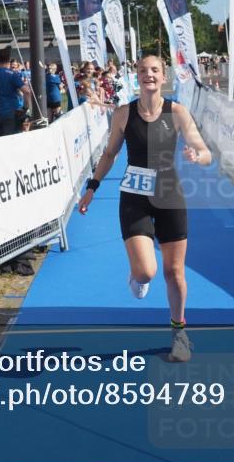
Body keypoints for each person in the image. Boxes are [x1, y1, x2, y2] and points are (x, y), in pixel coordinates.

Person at [76, 56, 212, 363]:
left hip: (169, 197)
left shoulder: (177, 112)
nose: (148, 75)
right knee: (146, 272)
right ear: (136, 77)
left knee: (174, 272)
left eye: (154, 70)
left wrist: (196, 155)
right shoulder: (124, 114)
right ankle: (136, 275)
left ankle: (179, 334)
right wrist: (92, 188)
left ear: (163, 77)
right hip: (135, 198)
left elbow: (206, 154)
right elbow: (110, 153)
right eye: (142, 70)